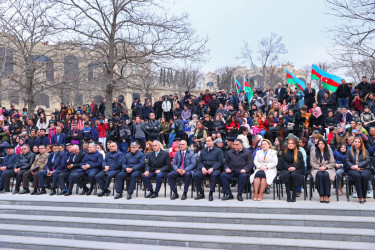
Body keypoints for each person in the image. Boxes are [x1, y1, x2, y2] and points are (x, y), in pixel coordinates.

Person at [193, 137, 224, 201]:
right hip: (204, 168)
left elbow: (220, 161)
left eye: (209, 141)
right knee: (195, 175)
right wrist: (202, 167)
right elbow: (200, 161)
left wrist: (213, 168)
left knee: (214, 175)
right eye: (206, 141)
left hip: (214, 169)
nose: (207, 142)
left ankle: (211, 193)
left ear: (213, 141)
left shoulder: (218, 150)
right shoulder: (203, 151)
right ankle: (201, 193)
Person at [345, 137, 372, 204]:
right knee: (357, 176)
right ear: (353, 143)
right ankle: (360, 196)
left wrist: (359, 166)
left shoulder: (365, 150)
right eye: (355, 141)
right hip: (353, 169)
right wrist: (353, 166)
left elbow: (367, 160)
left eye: (358, 142)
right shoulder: (349, 151)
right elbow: (347, 161)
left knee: (364, 176)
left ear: (361, 143)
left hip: (365, 168)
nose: (357, 143)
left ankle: (364, 195)